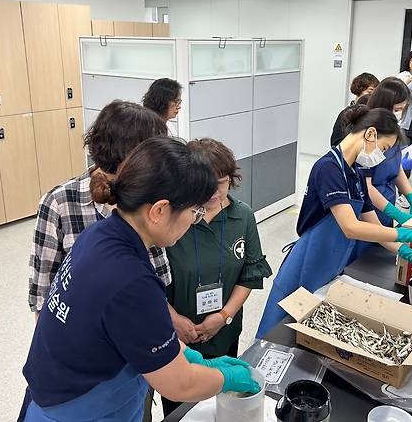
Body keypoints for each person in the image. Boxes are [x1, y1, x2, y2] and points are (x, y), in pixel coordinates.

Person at [22, 137, 260, 422]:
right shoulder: (131, 280)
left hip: (57, 389)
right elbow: (179, 384)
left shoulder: (100, 234)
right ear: (159, 211)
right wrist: (225, 377)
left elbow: (137, 329)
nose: (193, 220)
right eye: (193, 212)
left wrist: (190, 356)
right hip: (83, 408)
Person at [24, 101, 169, 422]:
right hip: (80, 378)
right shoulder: (61, 202)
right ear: (132, 159)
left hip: (137, 358)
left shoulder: (152, 203)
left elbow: (157, 279)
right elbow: (42, 295)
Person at [257, 105, 412, 338]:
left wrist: (409, 253)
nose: (382, 156)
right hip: (309, 258)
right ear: (370, 134)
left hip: (332, 259)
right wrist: (406, 234)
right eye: (385, 148)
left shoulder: (356, 172)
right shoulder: (329, 168)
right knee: (280, 329)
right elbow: (351, 227)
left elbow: (373, 227)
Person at [162, 138, 272, 417]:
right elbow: (148, 281)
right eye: (205, 184)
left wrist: (223, 316)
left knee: (224, 402)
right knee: (182, 410)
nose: (214, 192)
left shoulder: (242, 216)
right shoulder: (173, 219)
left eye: (221, 182)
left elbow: (250, 274)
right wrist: (174, 320)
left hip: (224, 329)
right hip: (176, 333)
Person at [28, 101, 170, 317]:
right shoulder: (60, 203)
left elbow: (160, 274)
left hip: (141, 321)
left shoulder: (152, 195)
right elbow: (43, 295)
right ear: (126, 156)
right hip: (85, 329)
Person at [362, 78, 412, 227]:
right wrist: (396, 213)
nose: (398, 114)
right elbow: (366, 187)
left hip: (386, 203)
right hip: (367, 208)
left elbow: (396, 168)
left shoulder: (392, 129)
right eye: (395, 109)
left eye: (401, 109)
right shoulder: (367, 133)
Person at [330, 73, 380, 146]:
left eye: (375, 93)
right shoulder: (346, 114)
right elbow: (335, 142)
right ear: (359, 90)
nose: (372, 95)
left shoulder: (374, 113)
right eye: (369, 91)